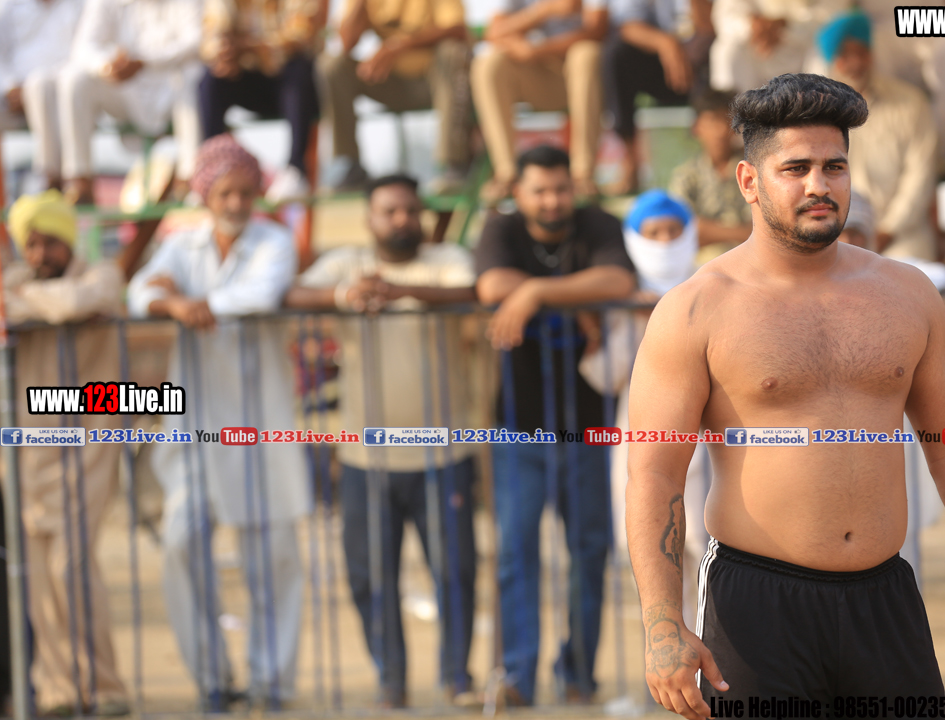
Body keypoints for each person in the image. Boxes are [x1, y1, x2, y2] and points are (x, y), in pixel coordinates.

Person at [625, 74, 945, 718]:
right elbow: (654, 473)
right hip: (756, 603)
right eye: (796, 169)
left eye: (834, 166)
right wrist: (661, 625)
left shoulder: (908, 294)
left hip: (885, 598)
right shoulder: (696, 309)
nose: (819, 184)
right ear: (749, 181)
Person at [127, 135, 311, 711]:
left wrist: (193, 302)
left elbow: (262, 293)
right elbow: (139, 292)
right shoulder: (181, 246)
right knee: (181, 544)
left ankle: (272, 683)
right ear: (206, 196)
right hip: (196, 429)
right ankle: (211, 678)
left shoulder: (273, 240)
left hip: (261, 429)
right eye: (225, 193)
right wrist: (170, 303)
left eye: (245, 192)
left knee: (273, 560)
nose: (235, 203)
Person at [283, 175, 479, 708]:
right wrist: (345, 295)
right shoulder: (347, 264)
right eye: (389, 211)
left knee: (455, 573)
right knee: (368, 577)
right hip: (365, 457)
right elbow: (292, 294)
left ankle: (456, 678)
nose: (401, 220)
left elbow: (472, 291)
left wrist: (399, 291)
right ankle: (390, 680)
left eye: (409, 210)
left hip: (444, 452)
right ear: (369, 218)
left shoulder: (444, 259)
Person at [473, 145, 636, 705]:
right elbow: (490, 286)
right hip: (518, 427)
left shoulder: (599, 223)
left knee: (588, 552)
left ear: (574, 188)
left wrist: (537, 293)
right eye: (540, 190)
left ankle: (579, 675)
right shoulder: (501, 227)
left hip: (588, 428)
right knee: (515, 553)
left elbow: (618, 280)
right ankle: (517, 677)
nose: (552, 200)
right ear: (518, 193)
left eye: (560, 188)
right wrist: (571, 297)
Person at [3, 190, 129, 716]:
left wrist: (23, 303)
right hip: (29, 450)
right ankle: (58, 690)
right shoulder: (18, 278)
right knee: (35, 575)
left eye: (48, 242)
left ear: (67, 239)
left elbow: (78, 303)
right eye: (30, 244)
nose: (39, 254)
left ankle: (105, 688)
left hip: (90, 441)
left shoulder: (102, 274)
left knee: (70, 566)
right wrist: (29, 300)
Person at [580, 189, 708, 628]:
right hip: (644, 441)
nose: (665, 241)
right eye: (653, 233)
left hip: (709, 442)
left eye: (673, 230)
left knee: (710, 554)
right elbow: (607, 375)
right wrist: (634, 322)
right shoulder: (625, 299)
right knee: (656, 558)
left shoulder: (713, 286)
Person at [316, 0, 472, 193]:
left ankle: (453, 165)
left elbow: (457, 29)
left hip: (435, 82)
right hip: (388, 82)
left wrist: (399, 45)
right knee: (332, 65)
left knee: (452, 51)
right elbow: (346, 44)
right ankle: (350, 165)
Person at [57, 0, 203, 205]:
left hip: (172, 87)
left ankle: (189, 177)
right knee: (74, 79)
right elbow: (84, 48)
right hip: (125, 90)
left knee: (195, 75)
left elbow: (196, 41)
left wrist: (144, 62)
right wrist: (107, 66)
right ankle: (80, 180)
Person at [821, 10, 938, 261]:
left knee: (914, 278)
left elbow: (921, 174)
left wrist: (888, 230)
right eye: (845, 55)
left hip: (902, 233)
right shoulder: (819, 112)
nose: (855, 62)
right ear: (832, 60)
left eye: (861, 52)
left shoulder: (911, 103)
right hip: (836, 233)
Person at [470, 0, 608, 204]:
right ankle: (507, 174)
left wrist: (540, 50)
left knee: (586, 54)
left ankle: (582, 175)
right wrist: (544, 11)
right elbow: (493, 33)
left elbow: (597, 31)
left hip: (582, 77)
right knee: (488, 63)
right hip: (535, 74)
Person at [198, 0, 324, 204]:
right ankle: (213, 170)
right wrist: (225, 55)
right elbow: (211, 38)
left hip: (294, 88)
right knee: (210, 79)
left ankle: (296, 170)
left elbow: (301, 35)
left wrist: (248, 47)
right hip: (250, 81)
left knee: (298, 69)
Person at [601, 0, 713, 195]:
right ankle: (631, 161)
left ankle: (718, 162)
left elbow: (711, 26)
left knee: (718, 50)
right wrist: (666, 43)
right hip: (660, 62)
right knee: (617, 53)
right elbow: (627, 26)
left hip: (704, 58)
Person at [0, 0, 83, 191]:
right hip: (13, 99)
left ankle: (52, 178)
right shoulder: (9, 6)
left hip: (60, 94)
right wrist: (10, 88)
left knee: (42, 86)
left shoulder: (79, 5)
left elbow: (84, 51)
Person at [667, 90, 752, 258]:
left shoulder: (753, 170)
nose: (721, 129)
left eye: (727, 120)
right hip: (700, 265)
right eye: (713, 120)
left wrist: (707, 229)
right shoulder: (686, 176)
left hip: (751, 261)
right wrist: (743, 232)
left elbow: (766, 229)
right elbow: (680, 232)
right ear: (696, 127)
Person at [708, 0, 844, 93]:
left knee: (825, 48)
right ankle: (730, 118)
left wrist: (785, 27)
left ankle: (821, 117)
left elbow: (834, 17)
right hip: (758, 50)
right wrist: (752, 26)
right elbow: (725, 16)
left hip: (804, 49)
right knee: (727, 49)